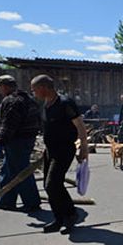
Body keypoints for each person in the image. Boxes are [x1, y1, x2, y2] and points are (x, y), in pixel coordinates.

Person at [31, 74, 89, 234]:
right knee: (48, 186)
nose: (33, 93)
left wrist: (84, 148)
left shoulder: (65, 103)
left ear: (43, 88)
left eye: (34, 90)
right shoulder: (46, 104)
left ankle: (71, 214)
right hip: (50, 150)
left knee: (52, 184)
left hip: (64, 149)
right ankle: (58, 219)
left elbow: (80, 126)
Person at [0, 75, 42, 212]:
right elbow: (39, 121)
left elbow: (8, 125)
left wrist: (0, 143)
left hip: (16, 141)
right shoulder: (29, 100)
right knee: (8, 171)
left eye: (0, 88)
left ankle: (32, 203)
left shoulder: (12, 101)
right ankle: (7, 201)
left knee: (21, 172)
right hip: (28, 139)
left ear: (5, 86)